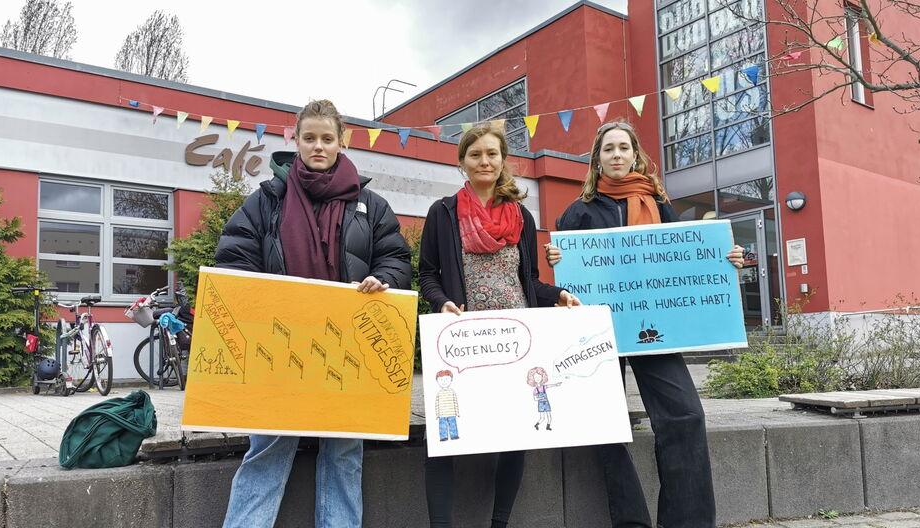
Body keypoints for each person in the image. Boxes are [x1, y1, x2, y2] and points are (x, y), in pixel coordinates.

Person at [216, 99, 412, 528]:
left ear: (343, 141)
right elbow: (233, 258)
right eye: (309, 138)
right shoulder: (267, 200)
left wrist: (385, 280)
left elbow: (397, 260)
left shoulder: (370, 205)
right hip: (279, 351)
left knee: (344, 454)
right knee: (267, 449)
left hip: (350, 353)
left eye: (327, 138)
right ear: (296, 140)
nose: (318, 146)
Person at [546, 120, 744, 528]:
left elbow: (689, 257)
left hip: (655, 330)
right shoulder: (577, 213)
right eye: (608, 149)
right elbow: (566, 281)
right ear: (596, 159)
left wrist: (725, 259)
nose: (616, 155)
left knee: (686, 416)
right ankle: (631, 522)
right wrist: (557, 263)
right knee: (605, 426)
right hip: (597, 334)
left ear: (636, 155)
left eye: (623, 148)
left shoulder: (660, 204)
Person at [418, 124, 580, 528]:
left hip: (516, 339)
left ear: (503, 160)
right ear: (462, 163)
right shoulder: (443, 213)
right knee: (445, 438)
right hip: (465, 341)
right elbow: (427, 275)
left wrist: (557, 295)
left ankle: (499, 523)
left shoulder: (522, 216)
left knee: (515, 434)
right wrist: (442, 302)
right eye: (475, 155)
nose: (484, 161)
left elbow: (530, 282)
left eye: (492, 154)